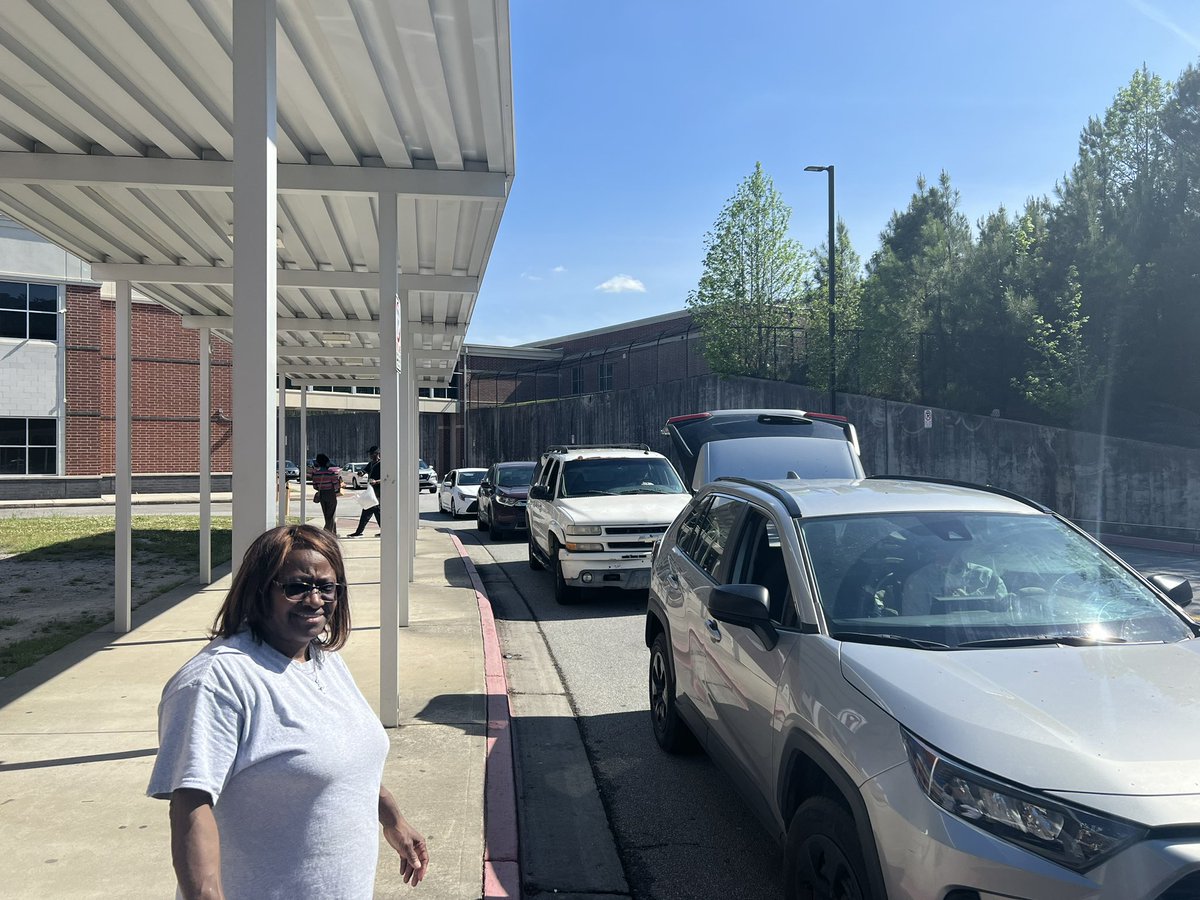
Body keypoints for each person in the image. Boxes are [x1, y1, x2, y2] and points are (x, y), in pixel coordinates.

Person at [146, 525, 429, 898]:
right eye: (296, 587)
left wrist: (393, 819)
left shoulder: (320, 659)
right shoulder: (215, 682)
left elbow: (341, 758)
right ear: (259, 590)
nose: (314, 600)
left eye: (326, 587)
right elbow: (190, 806)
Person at [348, 446, 382, 538]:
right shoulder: (371, 464)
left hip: (378, 493)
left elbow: (386, 478)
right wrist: (361, 473)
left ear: (377, 454)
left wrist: (376, 481)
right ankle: (384, 531)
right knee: (374, 511)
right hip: (371, 492)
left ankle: (359, 532)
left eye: (372, 454)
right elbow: (364, 470)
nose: (370, 455)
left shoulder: (382, 464)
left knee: (370, 510)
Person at [310, 453, 342, 535]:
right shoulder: (330, 473)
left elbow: (315, 486)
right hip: (330, 494)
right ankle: (325, 533)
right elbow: (336, 485)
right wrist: (340, 483)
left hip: (322, 495)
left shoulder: (315, 474)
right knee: (331, 515)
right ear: (327, 462)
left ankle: (333, 533)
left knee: (327, 515)